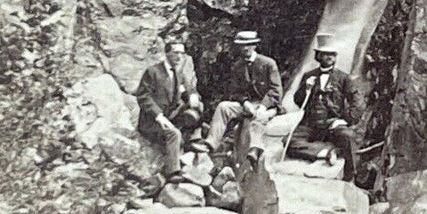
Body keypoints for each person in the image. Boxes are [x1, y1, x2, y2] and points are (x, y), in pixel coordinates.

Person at [290, 34, 364, 180]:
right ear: (318, 56)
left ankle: (351, 177)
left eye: (332, 54)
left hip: (332, 124)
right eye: (325, 54)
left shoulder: (343, 78)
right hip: (310, 124)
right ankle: (326, 152)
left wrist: (346, 120)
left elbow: (358, 102)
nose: (330, 57)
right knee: (290, 142)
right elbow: (298, 101)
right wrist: (306, 88)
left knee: (348, 136)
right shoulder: (308, 76)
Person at [206, 29, 283, 168]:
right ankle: (211, 143)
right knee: (223, 107)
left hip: (268, 106)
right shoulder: (237, 66)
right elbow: (235, 91)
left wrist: (263, 106)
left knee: (259, 117)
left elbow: (276, 90)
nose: (245, 48)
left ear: (255, 46)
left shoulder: (268, 63)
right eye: (242, 45)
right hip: (247, 105)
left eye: (249, 44)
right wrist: (245, 102)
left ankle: (254, 149)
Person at [135, 37, 203, 178]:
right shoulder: (153, 72)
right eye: (176, 53)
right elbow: (143, 97)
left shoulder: (178, 72)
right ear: (167, 54)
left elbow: (188, 89)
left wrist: (192, 96)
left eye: (182, 53)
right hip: (152, 122)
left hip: (171, 116)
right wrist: (158, 116)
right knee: (174, 134)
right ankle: (173, 172)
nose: (179, 56)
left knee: (198, 107)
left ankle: (193, 140)